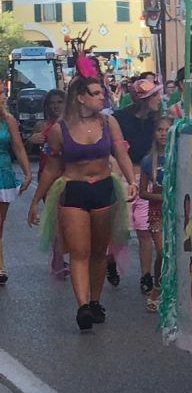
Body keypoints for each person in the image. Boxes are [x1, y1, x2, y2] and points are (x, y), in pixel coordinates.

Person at [27, 75, 136, 332]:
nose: (102, 97)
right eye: (96, 93)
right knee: (79, 251)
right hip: (73, 190)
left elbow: (121, 153)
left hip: (103, 188)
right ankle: (82, 306)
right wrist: (34, 202)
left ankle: (95, 300)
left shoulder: (109, 123)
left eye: (102, 93)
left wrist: (132, 180)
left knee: (99, 251)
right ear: (81, 97)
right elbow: (52, 169)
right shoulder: (59, 129)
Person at [112, 76, 163, 296]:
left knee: (144, 229)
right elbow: (114, 150)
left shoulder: (157, 121)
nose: (159, 99)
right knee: (118, 229)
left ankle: (145, 275)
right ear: (145, 99)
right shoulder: (120, 118)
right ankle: (109, 262)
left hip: (146, 177)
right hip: (122, 174)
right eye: (155, 95)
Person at [25, 89, 67, 278]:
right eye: (51, 103)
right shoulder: (41, 125)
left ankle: (67, 256)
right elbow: (24, 151)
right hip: (47, 176)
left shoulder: (69, 124)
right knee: (56, 219)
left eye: (59, 102)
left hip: (67, 175)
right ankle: (58, 259)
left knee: (68, 219)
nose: (55, 106)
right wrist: (31, 140)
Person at [138, 114, 170, 314]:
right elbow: (142, 192)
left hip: (179, 212)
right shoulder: (148, 161)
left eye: (167, 130)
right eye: (160, 130)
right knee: (162, 252)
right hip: (158, 211)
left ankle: (172, 290)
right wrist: (161, 197)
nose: (163, 134)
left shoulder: (181, 157)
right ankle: (156, 289)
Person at [0, 96, 34, 284]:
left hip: (2, 173)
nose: (2, 97)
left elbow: (18, 148)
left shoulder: (8, 120)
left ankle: (0, 263)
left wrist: (28, 173)